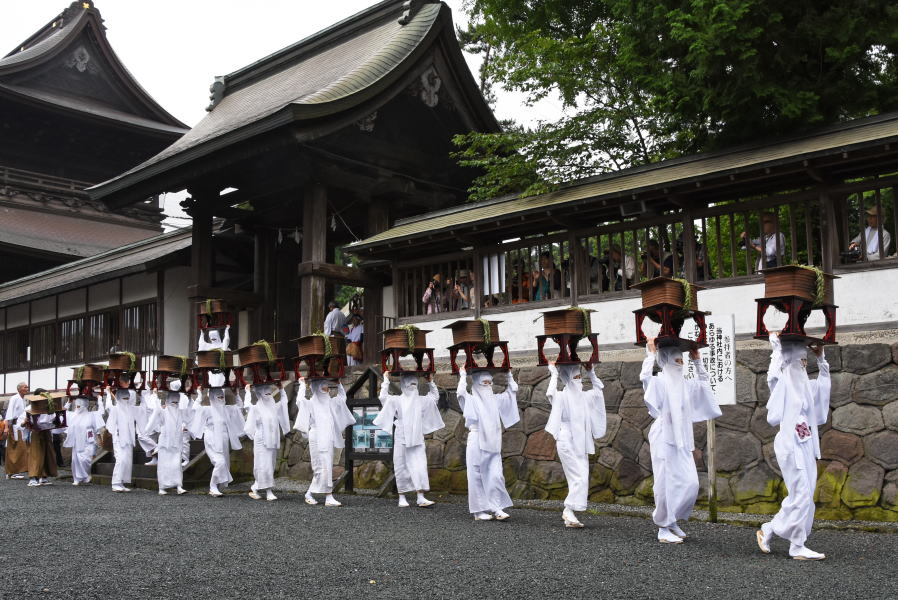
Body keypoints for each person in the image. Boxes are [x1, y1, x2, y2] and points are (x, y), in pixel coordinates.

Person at [756, 333, 831, 560]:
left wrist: (821, 360)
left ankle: (770, 529)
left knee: (805, 495)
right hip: (790, 444)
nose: (803, 364)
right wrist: (776, 348)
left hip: (806, 443)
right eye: (801, 360)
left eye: (805, 360)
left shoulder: (805, 385)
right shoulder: (785, 380)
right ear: (790, 360)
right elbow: (773, 378)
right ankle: (796, 545)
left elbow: (822, 391)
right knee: (800, 494)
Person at [641, 339, 722, 543]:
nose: (681, 364)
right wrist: (650, 355)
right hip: (663, 436)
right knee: (664, 483)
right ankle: (663, 527)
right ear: (666, 360)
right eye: (677, 360)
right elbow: (645, 379)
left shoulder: (686, 385)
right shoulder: (659, 382)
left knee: (690, 483)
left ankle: (672, 519)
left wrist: (697, 361)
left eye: (682, 360)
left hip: (683, 439)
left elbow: (704, 385)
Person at [545, 362, 607, 528]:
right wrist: (554, 374)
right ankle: (568, 510)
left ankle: (569, 511)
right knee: (577, 476)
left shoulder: (585, 397)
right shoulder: (561, 396)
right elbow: (550, 394)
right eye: (576, 377)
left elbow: (599, 391)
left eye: (580, 377)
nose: (579, 380)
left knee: (581, 476)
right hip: (566, 441)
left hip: (581, 441)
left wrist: (591, 372)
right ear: (568, 379)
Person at [456, 368, 520, 521]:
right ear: (477, 384)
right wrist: (463, 375)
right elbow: (460, 393)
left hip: (493, 440)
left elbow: (512, 392)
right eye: (484, 383)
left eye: (490, 383)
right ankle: (479, 511)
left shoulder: (495, 399)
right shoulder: (471, 400)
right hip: (476, 439)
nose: (488, 386)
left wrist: (509, 375)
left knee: (496, 475)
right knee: (476, 475)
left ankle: (497, 507)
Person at [375, 372, 444, 508]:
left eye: (415, 384)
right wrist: (386, 381)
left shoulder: (421, 400)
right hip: (401, 436)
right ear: (404, 385)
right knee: (401, 465)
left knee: (420, 466)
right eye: (410, 384)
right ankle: (402, 496)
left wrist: (431, 382)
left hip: (417, 437)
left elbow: (434, 398)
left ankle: (420, 496)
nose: (413, 387)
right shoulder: (397, 400)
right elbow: (383, 397)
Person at [293, 377, 355, 507]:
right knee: (320, 468)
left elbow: (342, 398)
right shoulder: (311, 403)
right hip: (317, 437)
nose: (327, 388)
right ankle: (327, 496)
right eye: (324, 386)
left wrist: (339, 384)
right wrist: (302, 385)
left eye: (327, 385)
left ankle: (313, 494)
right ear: (317, 388)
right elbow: (299, 401)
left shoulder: (330, 402)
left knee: (326, 467)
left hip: (327, 436)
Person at [190, 372, 244, 497]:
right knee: (219, 462)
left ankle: (218, 487)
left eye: (222, 397)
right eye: (218, 397)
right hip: (212, 438)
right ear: (213, 397)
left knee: (223, 463)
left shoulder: (227, 409)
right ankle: (212, 486)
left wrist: (237, 395)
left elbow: (239, 409)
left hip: (224, 440)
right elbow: (195, 409)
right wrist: (199, 395)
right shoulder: (207, 409)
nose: (221, 399)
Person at [244, 382, 291, 501]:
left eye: (270, 392)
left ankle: (255, 487)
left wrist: (281, 390)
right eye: (265, 392)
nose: (268, 394)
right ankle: (268, 490)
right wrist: (247, 392)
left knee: (270, 464)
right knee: (263, 465)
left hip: (272, 440)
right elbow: (247, 407)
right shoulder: (256, 408)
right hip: (261, 440)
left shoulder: (274, 407)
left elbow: (284, 403)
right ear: (259, 393)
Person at [146, 379, 190, 496]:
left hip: (177, 440)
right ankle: (162, 486)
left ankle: (179, 485)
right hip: (165, 441)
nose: (175, 405)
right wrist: (155, 399)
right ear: (168, 401)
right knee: (164, 464)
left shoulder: (180, 412)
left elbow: (188, 418)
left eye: (177, 402)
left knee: (176, 463)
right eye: (173, 402)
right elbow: (154, 418)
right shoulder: (163, 411)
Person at [63, 384, 105, 486]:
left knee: (86, 459)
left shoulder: (92, 415)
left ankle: (86, 475)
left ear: (85, 405)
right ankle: (77, 478)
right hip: (77, 441)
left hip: (88, 440)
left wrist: (100, 400)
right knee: (75, 460)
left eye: (80, 406)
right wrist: (68, 403)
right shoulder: (73, 415)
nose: (78, 408)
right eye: (76, 406)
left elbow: (101, 412)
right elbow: (63, 413)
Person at [24, 389, 60, 487]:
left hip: (47, 431)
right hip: (36, 432)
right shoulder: (29, 407)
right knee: (36, 455)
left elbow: (55, 418)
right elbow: (23, 422)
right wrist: (25, 422)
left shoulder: (50, 407)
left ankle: (43, 477)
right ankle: (33, 478)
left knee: (48, 454)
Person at [4, 382, 29, 479]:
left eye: (27, 387)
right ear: (19, 389)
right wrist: (6, 427)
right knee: (13, 448)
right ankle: (11, 472)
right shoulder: (14, 398)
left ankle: (15, 471)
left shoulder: (24, 400)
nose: (27, 388)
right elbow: (9, 413)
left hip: (21, 426)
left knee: (20, 449)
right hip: (14, 426)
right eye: (25, 387)